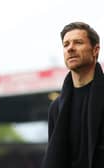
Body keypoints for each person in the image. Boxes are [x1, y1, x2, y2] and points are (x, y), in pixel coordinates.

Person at [41, 21, 104, 168]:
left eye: (78, 42)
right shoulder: (56, 108)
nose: (70, 48)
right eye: (66, 44)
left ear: (95, 50)